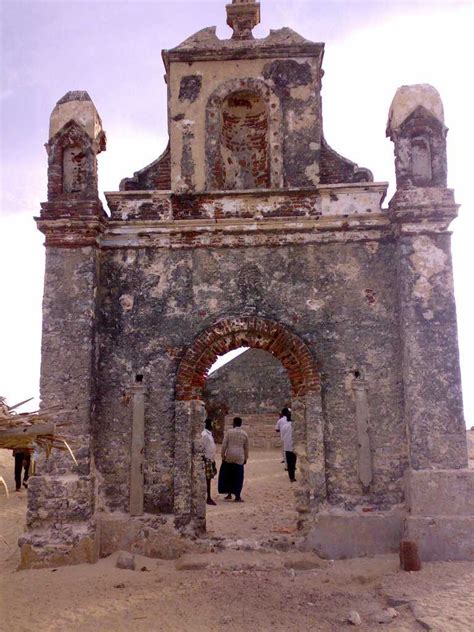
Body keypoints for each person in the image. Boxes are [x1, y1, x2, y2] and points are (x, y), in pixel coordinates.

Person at [221, 417, 249, 502]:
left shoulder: (229, 432)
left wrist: (223, 456)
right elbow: (246, 448)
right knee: (238, 477)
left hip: (230, 456)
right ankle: (237, 496)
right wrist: (246, 458)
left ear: (234, 423)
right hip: (239, 456)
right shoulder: (244, 434)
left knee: (229, 475)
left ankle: (229, 494)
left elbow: (224, 445)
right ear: (240, 424)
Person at [201, 418, 217, 505]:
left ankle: (208, 497)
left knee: (209, 479)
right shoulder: (205, 435)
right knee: (207, 480)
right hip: (206, 459)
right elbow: (201, 446)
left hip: (210, 459)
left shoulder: (209, 434)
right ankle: (208, 497)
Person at [279, 409, 297, 482]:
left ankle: (291, 477)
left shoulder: (284, 426)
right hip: (294, 446)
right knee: (294, 461)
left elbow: (282, 436)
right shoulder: (295, 426)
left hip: (287, 446)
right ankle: (293, 474)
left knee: (289, 463)